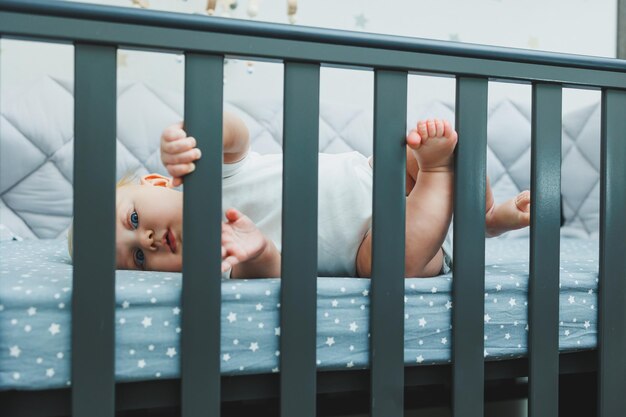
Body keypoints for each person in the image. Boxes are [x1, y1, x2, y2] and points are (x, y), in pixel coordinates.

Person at [114, 113, 530, 278]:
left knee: (424, 147)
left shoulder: (208, 174)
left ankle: (484, 217)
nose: (147, 242)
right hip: (372, 247)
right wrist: (258, 251)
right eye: (138, 258)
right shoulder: (217, 261)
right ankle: (441, 174)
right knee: (385, 266)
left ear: (154, 183)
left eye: (133, 221)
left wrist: (195, 132)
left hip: (379, 178)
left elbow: (235, 135)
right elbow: (271, 271)